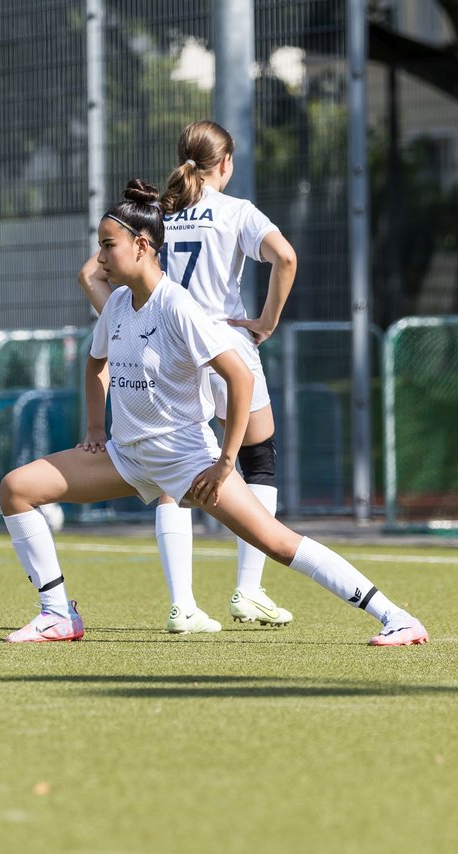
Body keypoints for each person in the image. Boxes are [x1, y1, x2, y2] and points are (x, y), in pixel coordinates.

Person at [3, 180, 427, 647]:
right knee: (17, 489)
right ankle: (58, 615)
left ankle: (397, 617)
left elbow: (239, 376)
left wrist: (226, 461)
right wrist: (94, 429)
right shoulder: (120, 303)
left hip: (188, 459)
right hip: (127, 456)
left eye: (107, 246)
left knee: (278, 542)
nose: (99, 259)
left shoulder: (179, 307)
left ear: (142, 246)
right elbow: (95, 365)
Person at [77, 120, 296, 634]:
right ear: (226, 164)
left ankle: (182, 605)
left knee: (172, 476)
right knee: (258, 460)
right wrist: (267, 321)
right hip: (221, 343)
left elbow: (90, 273)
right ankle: (249, 590)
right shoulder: (235, 210)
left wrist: (119, 318)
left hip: (164, 346)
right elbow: (285, 255)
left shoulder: (157, 216)